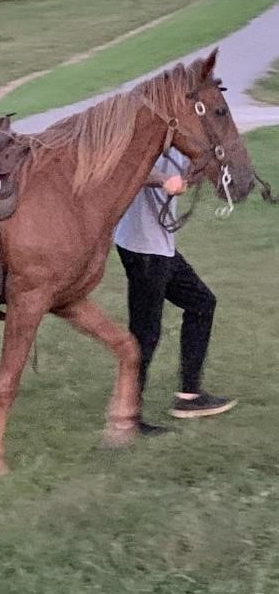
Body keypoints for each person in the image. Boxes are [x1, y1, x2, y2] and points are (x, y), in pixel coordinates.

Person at [114, 148, 237, 419]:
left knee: (202, 303)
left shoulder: (180, 140)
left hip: (160, 247)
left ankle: (189, 397)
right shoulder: (150, 128)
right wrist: (162, 179)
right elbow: (131, 164)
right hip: (141, 246)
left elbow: (190, 168)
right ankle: (127, 415)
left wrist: (197, 174)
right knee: (145, 332)